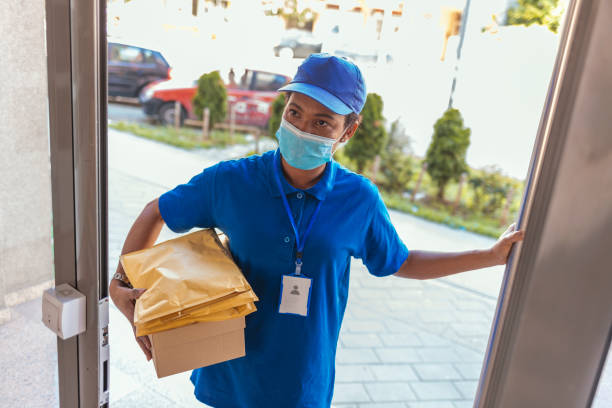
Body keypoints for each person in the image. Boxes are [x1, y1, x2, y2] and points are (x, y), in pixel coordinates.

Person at [109, 53, 525, 407]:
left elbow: (401, 261)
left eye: (323, 122)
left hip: (301, 383)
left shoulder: (358, 199)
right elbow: (155, 211)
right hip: (228, 374)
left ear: (349, 130)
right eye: (295, 113)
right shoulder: (230, 182)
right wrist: (121, 283)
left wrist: (489, 257)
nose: (303, 129)